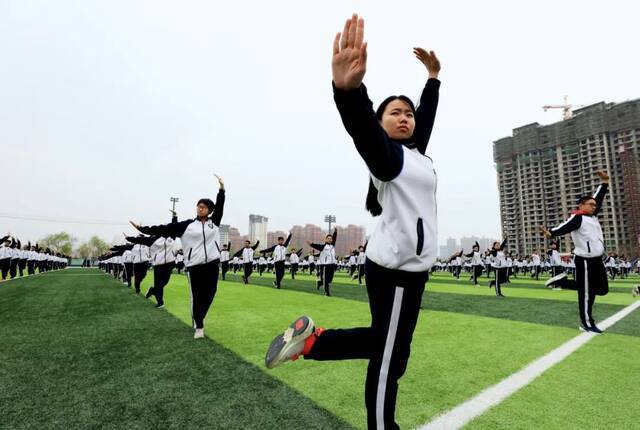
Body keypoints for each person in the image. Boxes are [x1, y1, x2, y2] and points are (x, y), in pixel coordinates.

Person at [264, 14, 440, 429]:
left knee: (393, 349)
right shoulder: (389, 160)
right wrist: (348, 91)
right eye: (395, 113)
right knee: (387, 358)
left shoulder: (414, 156)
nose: (405, 117)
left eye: (408, 114)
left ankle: (313, 342)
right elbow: (362, 130)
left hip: (407, 272)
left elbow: (425, 120)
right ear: (381, 123)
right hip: (397, 273)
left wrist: (432, 80)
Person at [130, 175, 225, 339]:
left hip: (212, 265)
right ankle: (199, 326)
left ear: (210, 210)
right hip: (194, 266)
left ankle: (200, 315)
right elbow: (164, 228)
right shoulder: (186, 226)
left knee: (211, 293)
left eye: (203, 207)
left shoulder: (214, 223)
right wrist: (143, 229)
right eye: (198, 206)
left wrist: (222, 190)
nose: (200, 209)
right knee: (196, 296)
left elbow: (221, 206)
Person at [541, 170, 611, 333]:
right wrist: (551, 232)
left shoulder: (592, 217)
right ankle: (586, 323)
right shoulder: (578, 217)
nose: (594, 207)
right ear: (581, 205)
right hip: (584, 260)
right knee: (587, 294)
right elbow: (564, 227)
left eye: (595, 205)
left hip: (597, 260)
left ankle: (562, 282)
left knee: (602, 289)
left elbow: (598, 197)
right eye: (590, 204)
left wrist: (605, 183)